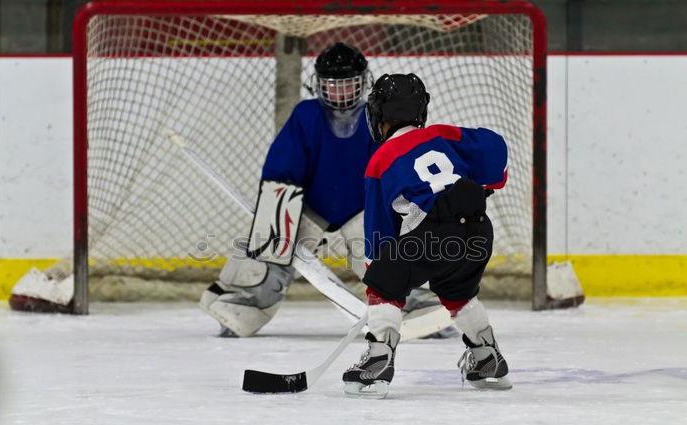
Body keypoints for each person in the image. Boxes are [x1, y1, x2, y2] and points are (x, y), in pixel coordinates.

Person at [200, 43, 456, 340]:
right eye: (333, 86)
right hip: (311, 205)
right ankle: (242, 303)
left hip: (365, 205)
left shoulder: (381, 115)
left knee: (390, 251)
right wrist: (278, 210)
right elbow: (283, 166)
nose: (341, 93)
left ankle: (417, 306)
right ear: (319, 85)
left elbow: (394, 164)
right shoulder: (306, 115)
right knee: (268, 242)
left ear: (363, 82)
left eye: (348, 84)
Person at [342, 73, 512, 398]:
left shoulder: (380, 161)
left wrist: (379, 283)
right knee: (458, 292)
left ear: (377, 117)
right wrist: (490, 181)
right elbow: (493, 146)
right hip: (478, 229)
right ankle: (487, 358)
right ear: (420, 112)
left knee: (383, 281)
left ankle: (378, 360)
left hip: (435, 234)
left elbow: (380, 234)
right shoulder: (442, 135)